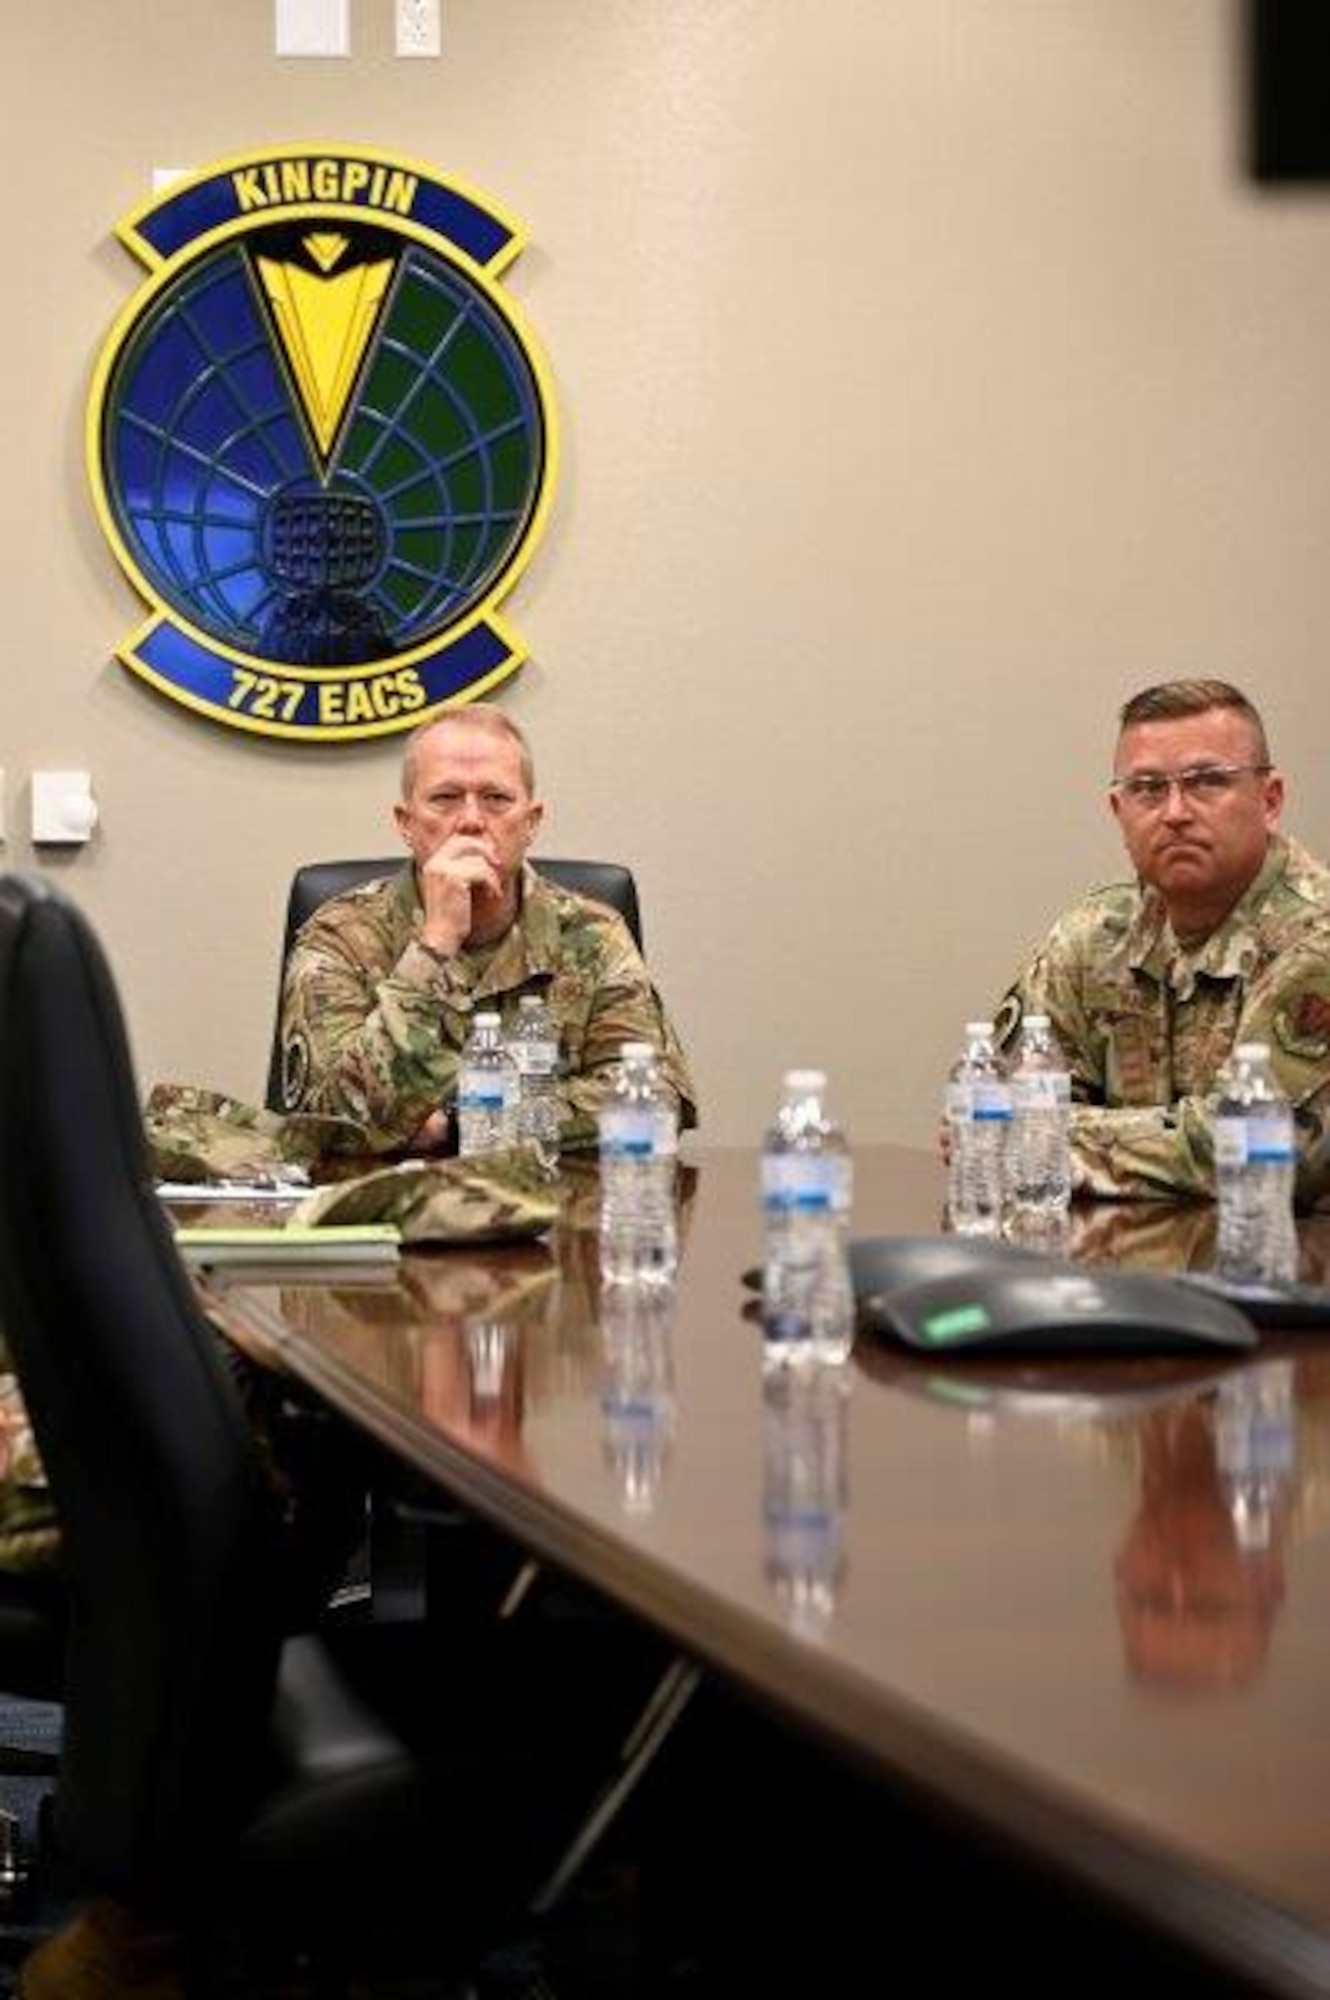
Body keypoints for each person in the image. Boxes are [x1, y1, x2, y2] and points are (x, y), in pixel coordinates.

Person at [279, 705, 697, 1153]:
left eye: (496, 798)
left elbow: (653, 1102)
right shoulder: (339, 935)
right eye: (445, 798)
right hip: (381, 1210)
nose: (472, 820)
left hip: (558, 1211)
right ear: (406, 824)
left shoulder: (592, 933)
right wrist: (432, 946)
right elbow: (324, 1117)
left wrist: (462, 1122)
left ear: (531, 821)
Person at [995, 679, 1330, 1204]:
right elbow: (992, 1108)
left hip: (1290, 1269)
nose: (1175, 812)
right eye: (1148, 788)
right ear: (1118, 811)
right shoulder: (1094, 935)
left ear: (1270, 800)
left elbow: (1253, 1152)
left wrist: (1044, 1137)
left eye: (1206, 782)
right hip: (1119, 1266)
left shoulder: (1316, 941)